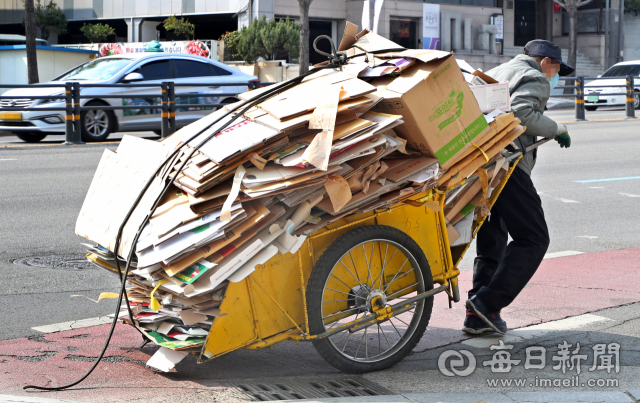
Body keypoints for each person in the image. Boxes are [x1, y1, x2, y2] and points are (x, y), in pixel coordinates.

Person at [463, 40, 573, 335]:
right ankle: (486, 304)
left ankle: (477, 315)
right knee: (534, 238)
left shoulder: (497, 70)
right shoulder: (535, 76)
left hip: (481, 163)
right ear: (546, 61)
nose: (555, 75)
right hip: (508, 163)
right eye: (557, 69)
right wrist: (556, 128)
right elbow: (522, 114)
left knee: (493, 237)